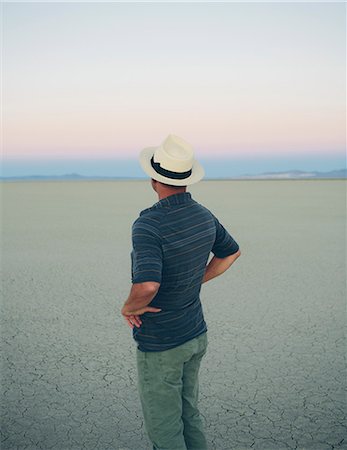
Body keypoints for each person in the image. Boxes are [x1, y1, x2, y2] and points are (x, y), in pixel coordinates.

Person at [121, 134, 241, 450]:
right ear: (187, 178)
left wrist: (129, 308)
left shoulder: (148, 224)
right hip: (195, 335)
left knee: (165, 431)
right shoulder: (203, 215)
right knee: (189, 415)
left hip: (163, 344)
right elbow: (231, 253)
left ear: (153, 178)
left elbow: (148, 284)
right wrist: (193, 279)